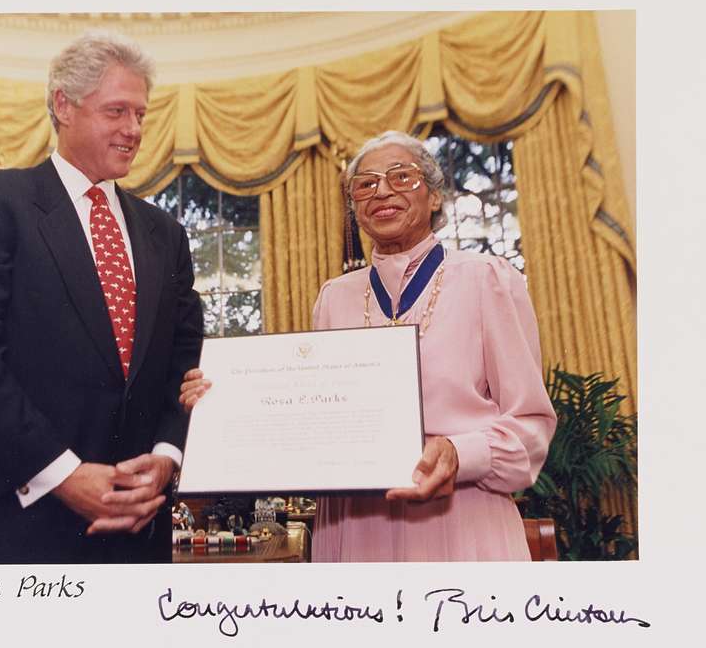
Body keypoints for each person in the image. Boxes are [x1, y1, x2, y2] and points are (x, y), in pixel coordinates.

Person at [180, 131, 556, 561]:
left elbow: (531, 427)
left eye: (401, 177)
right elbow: (311, 414)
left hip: (460, 518)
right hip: (354, 528)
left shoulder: (486, 279)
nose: (382, 190)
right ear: (354, 206)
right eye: (366, 183)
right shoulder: (333, 297)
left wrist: (459, 453)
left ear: (434, 198)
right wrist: (224, 405)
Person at [0, 31, 203, 564]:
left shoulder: (167, 235)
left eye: (141, 114)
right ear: (62, 105)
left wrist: (166, 456)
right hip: (16, 537)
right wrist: (62, 474)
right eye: (117, 111)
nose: (134, 129)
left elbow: (186, 365)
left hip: (138, 538)